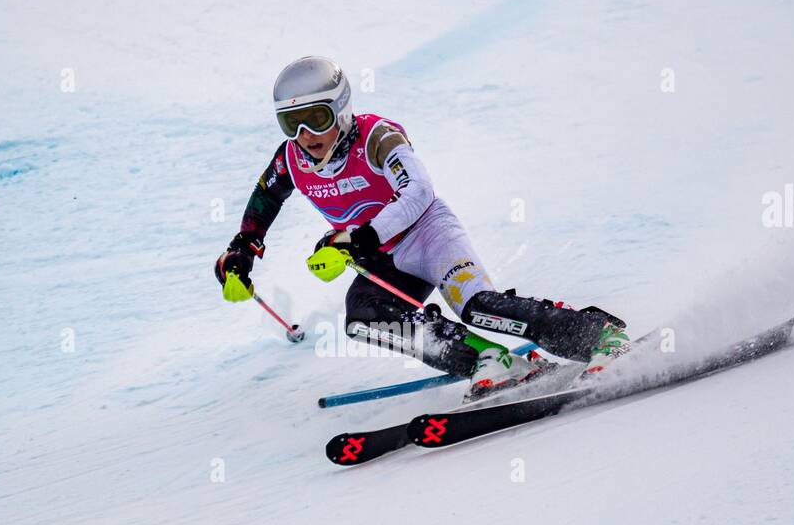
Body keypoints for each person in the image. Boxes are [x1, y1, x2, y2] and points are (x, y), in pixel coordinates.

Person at [214, 56, 627, 400]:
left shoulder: (376, 136)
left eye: (316, 119)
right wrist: (242, 253)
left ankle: (598, 337)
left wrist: (355, 239)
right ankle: (487, 359)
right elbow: (265, 200)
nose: (306, 135)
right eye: (292, 124)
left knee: (478, 305)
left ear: (340, 109)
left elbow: (419, 191)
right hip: (381, 257)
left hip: (428, 235)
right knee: (364, 318)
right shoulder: (291, 160)